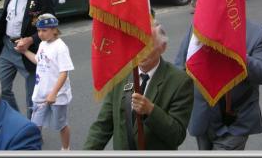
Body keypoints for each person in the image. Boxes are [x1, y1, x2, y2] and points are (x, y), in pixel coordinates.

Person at [83, 22, 194, 150]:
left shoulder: (180, 81)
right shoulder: (120, 74)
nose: (141, 51)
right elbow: (103, 126)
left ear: (163, 47)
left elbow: (177, 135)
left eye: (148, 45)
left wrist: (151, 111)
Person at [174, 19, 262, 150]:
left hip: (236, 121)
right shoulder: (199, 26)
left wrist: (237, 53)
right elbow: (180, 66)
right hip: (203, 116)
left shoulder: (258, 34)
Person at [0, 0, 54, 119]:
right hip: (8, 46)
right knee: (1, 89)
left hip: (29, 51)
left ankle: (32, 130)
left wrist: (30, 40)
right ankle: (18, 122)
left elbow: (51, 28)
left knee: (32, 97)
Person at [16, 13, 74, 150]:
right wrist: (24, 51)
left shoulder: (60, 47)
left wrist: (53, 93)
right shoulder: (42, 44)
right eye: (38, 31)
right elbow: (38, 60)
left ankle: (66, 149)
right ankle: (33, 149)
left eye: (44, 30)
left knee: (61, 124)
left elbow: (64, 72)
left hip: (58, 96)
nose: (40, 34)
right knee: (35, 125)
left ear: (54, 29)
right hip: (40, 94)